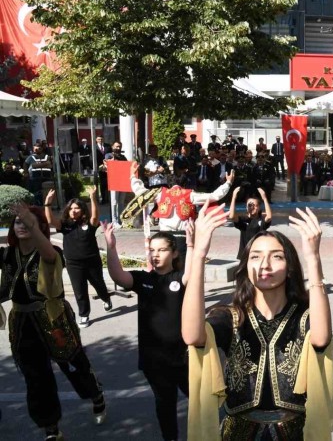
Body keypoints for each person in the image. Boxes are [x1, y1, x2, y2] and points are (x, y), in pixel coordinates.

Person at [182, 203, 333, 440]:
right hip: (238, 433)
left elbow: (321, 338)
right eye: (255, 257)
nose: (265, 265)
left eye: (277, 257)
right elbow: (192, 336)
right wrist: (199, 256)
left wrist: (313, 258)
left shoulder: (304, 315)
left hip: (294, 432)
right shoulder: (231, 316)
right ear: (246, 267)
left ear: (290, 267)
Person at [1, 205, 106, 441]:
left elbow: (49, 257)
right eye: (18, 222)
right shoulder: (7, 255)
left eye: (28, 221)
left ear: (39, 226)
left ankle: (96, 395)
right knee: (36, 378)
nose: (22, 225)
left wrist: (32, 224)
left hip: (53, 319)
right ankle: (51, 429)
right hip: (23, 324)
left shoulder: (51, 252)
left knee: (73, 365)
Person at [103, 222, 194, 441]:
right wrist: (111, 247)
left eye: (162, 250)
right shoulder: (143, 279)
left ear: (174, 253)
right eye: (152, 250)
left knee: (200, 400)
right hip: (154, 360)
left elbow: (191, 274)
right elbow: (118, 276)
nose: (156, 255)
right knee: (165, 404)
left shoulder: (179, 278)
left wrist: (191, 246)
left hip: (183, 357)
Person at [44, 188, 114, 328]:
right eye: (71, 208)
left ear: (82, 210)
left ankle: (106, 298)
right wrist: (47, 203)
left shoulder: (89, 223)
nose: (73, 211)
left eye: (77, 208)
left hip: (92, 262)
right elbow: (50, 220)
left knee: (99, 285)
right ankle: (84, 314)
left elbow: (95, 216)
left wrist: (93, 197)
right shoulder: (65, 225)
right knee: (79, 290)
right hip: (73, 264)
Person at [229, 186, 272, 260]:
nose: (252, 207)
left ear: (259, 207)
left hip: (259, 254)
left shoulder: (261, 220)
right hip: (245, 255)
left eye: (255, 205)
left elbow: (269, 217)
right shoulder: (243, 220)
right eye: (249, 205)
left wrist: (264, 198)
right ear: (246, 207)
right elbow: (232, 216)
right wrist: (233, 198)